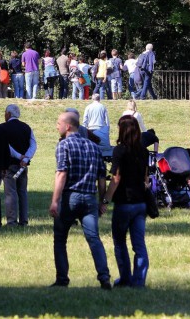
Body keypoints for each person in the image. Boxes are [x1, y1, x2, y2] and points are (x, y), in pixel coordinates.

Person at [49, 112, 111, 289]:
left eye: (58, 123)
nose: (57, 126)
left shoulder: (64, 145)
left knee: (60, 238)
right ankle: (104, 277)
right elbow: (101, 178)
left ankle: (62, 279)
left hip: (70, 197)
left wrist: (55, 200)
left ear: (68, 126)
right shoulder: (94, 148)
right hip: (89, 199)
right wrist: (102, 201)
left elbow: (61, 173)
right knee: (94, 238)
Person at [103, 116, 149, 287]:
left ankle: (125, 278)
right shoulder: (143, 151)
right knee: (139, 244)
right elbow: (146, 178)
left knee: (120, 241)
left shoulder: (119, 151)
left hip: (124, 202)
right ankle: (139, 281)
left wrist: (105, 200)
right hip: (140, 203)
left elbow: (116, 178)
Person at [0, 104, 36, 226]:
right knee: (23, 192)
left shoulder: (3, 128)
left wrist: (18, 156)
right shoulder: (26, 127)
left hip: (9, 165)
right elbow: (33, 145)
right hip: (23, 166)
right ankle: (24, 220)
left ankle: (12, 221)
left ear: (8, 114)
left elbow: (5, 146)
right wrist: (26, 158)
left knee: (10, 193)